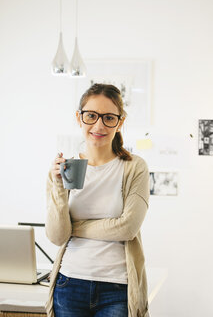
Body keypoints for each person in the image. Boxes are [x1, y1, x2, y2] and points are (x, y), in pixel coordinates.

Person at [45, 83, 150, 317]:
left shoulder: (134, 168)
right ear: (79, 118)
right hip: (69, 283)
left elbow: (127, 228)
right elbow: (57, 236)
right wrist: (59, 187)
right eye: (91, 116)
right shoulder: (64, 168)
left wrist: (76, 228)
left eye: (109, 118)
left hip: (117, 287)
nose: (99, 125)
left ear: (120, 122)